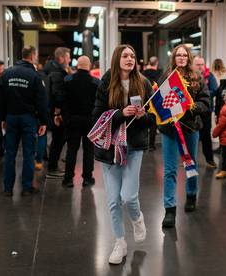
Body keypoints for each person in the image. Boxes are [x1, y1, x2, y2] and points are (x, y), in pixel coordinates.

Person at [92, 44, 153, 264]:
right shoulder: (106, 82)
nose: (130, 59)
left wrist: (143, 116)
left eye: (133, 56)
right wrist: (120, 113)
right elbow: (97, 115)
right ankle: (119, 243)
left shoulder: (144, 83)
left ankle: (138, 219)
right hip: (109, 149)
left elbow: (152, 120)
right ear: (117, 58)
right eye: (125, 55)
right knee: (113, 201)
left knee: (129, 197)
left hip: (134, 146)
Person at [158, 45, 209, 228]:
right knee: (170, 170)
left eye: (184, 55)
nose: (181, 58)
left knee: (191, 164)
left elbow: (205, 103)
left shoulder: (197, 78)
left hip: (191, 128)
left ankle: (191, 195)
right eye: (178, 55)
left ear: (188, 58)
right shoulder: (166, 77)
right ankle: (169, 209)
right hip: (169, 129)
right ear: (174, 58)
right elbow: (159, 101)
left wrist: (192, 107)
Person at [0, 46, 47, 197]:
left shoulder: (7, 73)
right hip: (28, 119)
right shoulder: (35, 76)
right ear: (32, 56)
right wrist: (43, 122)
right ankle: (26, 187)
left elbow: (1, 98)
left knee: (10, 153)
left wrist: (2, 118)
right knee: (28, 153)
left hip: (11, 117)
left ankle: (7, 188)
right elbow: (41, 101)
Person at [61, 56, 100, 187]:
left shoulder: (68, 80)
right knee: (89, 150)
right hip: (90, 120)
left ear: (77, 65)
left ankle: (68, 179)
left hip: (72, 120)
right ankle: (87, 178)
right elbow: (98, 103)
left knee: (71, 149)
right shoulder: (96, 82)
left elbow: (63, 100)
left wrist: (64, 116)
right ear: (89, 66)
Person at [44, 47, 71, 178]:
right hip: (57, 114)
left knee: (57, 139)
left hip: (51, 111)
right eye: (68, 57)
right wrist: (58, 113)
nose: (69, 59)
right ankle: (52, 168)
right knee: (58, 139)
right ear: (61, 58)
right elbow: (58, 94)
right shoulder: (57, 73)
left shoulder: (50, 70)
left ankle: (52, 164)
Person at [193, 55, 218, 168]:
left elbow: (214, 90)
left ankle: (209, 159)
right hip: (191, 111)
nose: (201, 67)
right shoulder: (190, 76)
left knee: (206, 137)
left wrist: (202, 94)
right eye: (198, 64)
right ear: (193, 65)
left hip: (205, 111)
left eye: (202, 64)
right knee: (190, 136)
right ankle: (189, 160)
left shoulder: (210, 76)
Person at [142, 56, 163, 151]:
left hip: (144, 100)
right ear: (157, 63)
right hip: (155, 100)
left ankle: (143, 143)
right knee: (153, 124)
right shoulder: (159, 74)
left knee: (143, 121)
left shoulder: (142, 74)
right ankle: (151, 145)